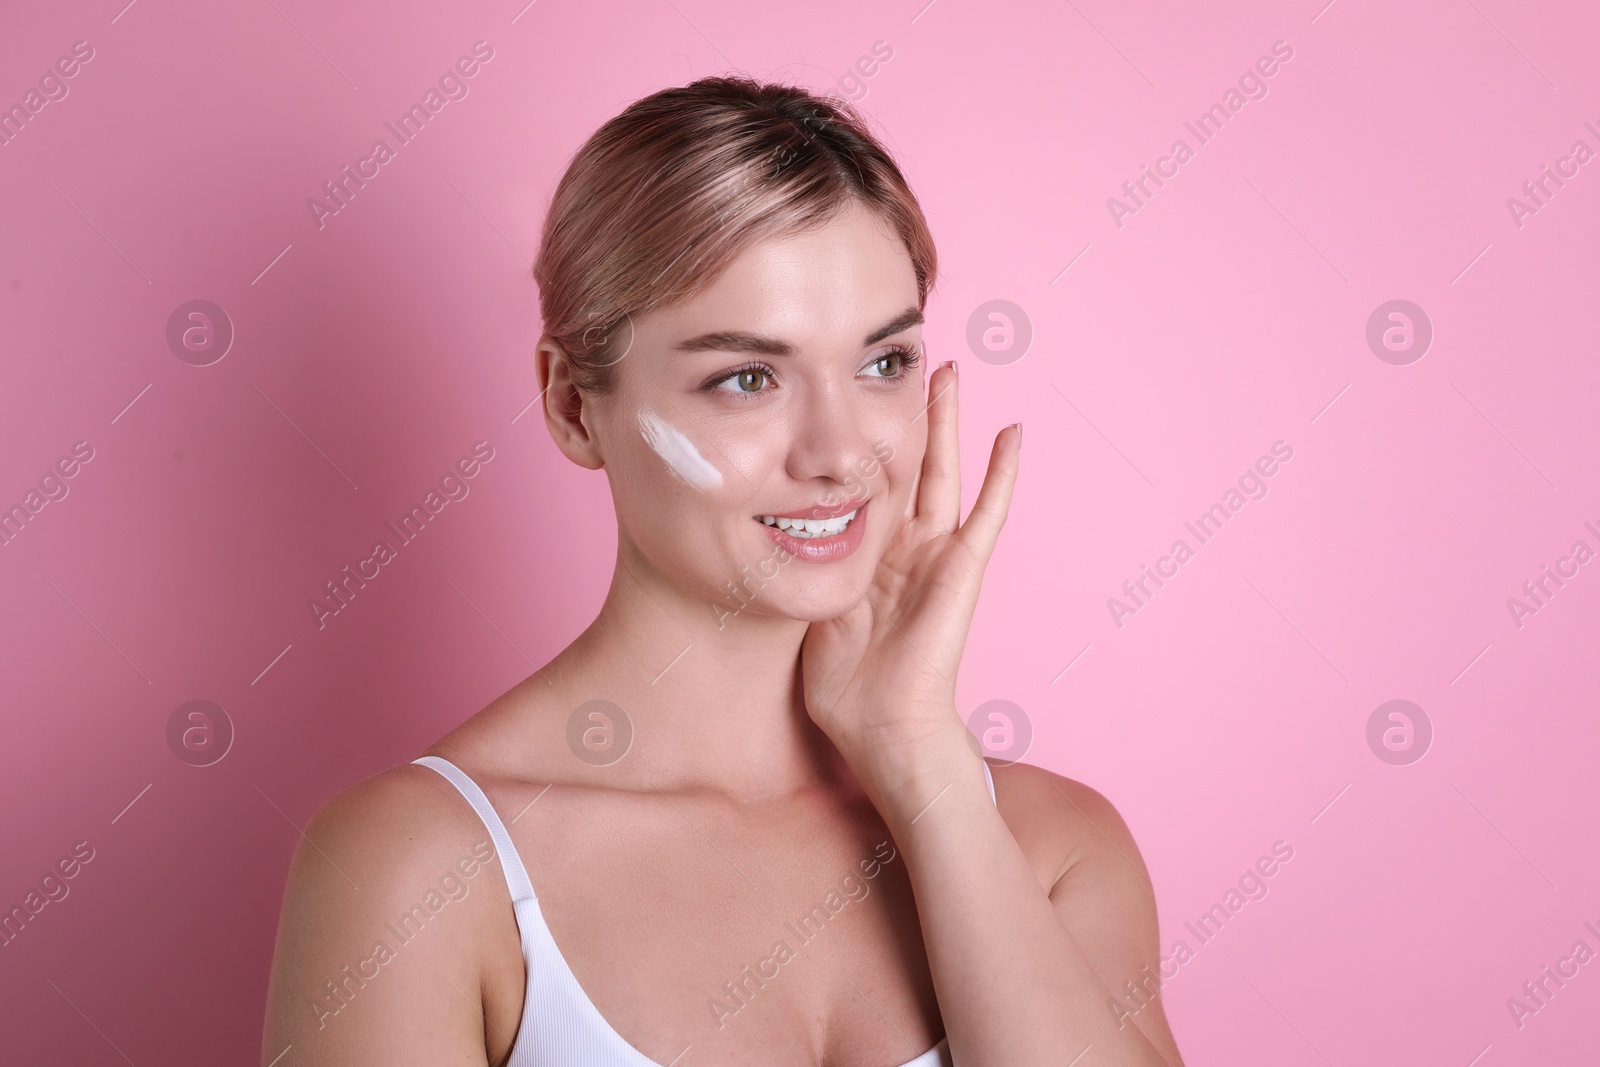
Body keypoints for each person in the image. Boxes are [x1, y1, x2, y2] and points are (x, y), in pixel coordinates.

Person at [262, 75, 1183, 1066]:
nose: (841, 452)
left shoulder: (1050, 846)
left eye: (883, 364)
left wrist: (923, 765)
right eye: (747, 377)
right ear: (575, 406)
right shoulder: (420, 866)